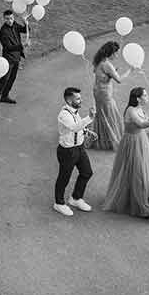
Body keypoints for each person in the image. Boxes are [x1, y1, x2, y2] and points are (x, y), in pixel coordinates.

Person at [102, 87, 149, 221]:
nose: (147, 96)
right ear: (138, 98)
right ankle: (142, 207)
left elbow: (145, 124)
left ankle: (140, 198)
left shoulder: (139, 109)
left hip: (140, 140)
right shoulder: (131, 110)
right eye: (145, 95)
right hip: (132, 143)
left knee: (142, 170)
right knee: (137, 172)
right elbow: (142, 124)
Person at [53, 86, 96, 216]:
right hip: (67, 151)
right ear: (69, 100)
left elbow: (79, 127)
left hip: (79, 148)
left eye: (80, 98)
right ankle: (59, 203)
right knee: (64, 178)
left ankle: (76, 198)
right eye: (77, 98)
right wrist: (89, 118)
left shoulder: (75, 112)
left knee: (87, 172)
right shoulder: (64, 114)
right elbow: (73, 127)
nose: (81, 100)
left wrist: (87, 131)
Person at [89, 42, 131, 151]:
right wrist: (130, 70)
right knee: (109, 114)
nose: (117, 56)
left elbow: (97, 72)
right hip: (104, 93)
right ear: (110, 53)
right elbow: (119, 80)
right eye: (116, 53)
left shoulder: (98, 60)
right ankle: (110, 139)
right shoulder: (107, 64)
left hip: (97, 91)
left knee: (102, 113)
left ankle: (101, 137)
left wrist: (110, 74)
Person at [0, 8, 28, 110]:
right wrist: (22, 45)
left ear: (13, 17)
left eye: (11, 18)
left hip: (16, 58)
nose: (10, 21)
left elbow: (25, 30)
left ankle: (5, 96)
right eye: (7, 19)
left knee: (12, 78)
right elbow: (7, 47)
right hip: (8, 59)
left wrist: (26, 23)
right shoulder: (3, 31)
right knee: (4, 79)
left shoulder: (15, 25)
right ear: (4, 19)